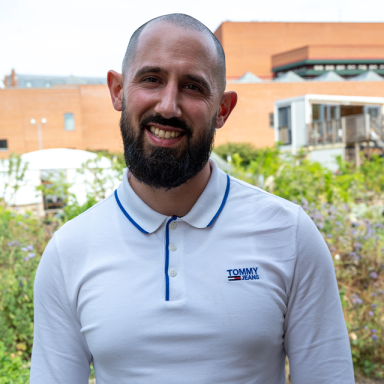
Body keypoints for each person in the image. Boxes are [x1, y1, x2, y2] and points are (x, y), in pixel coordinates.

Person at [30, 13, 354, 384]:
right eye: (151, 79)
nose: (168, 106)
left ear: (223, 110)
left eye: (193, 87)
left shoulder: (290, 234)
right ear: (118, 90)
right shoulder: (68, 252)